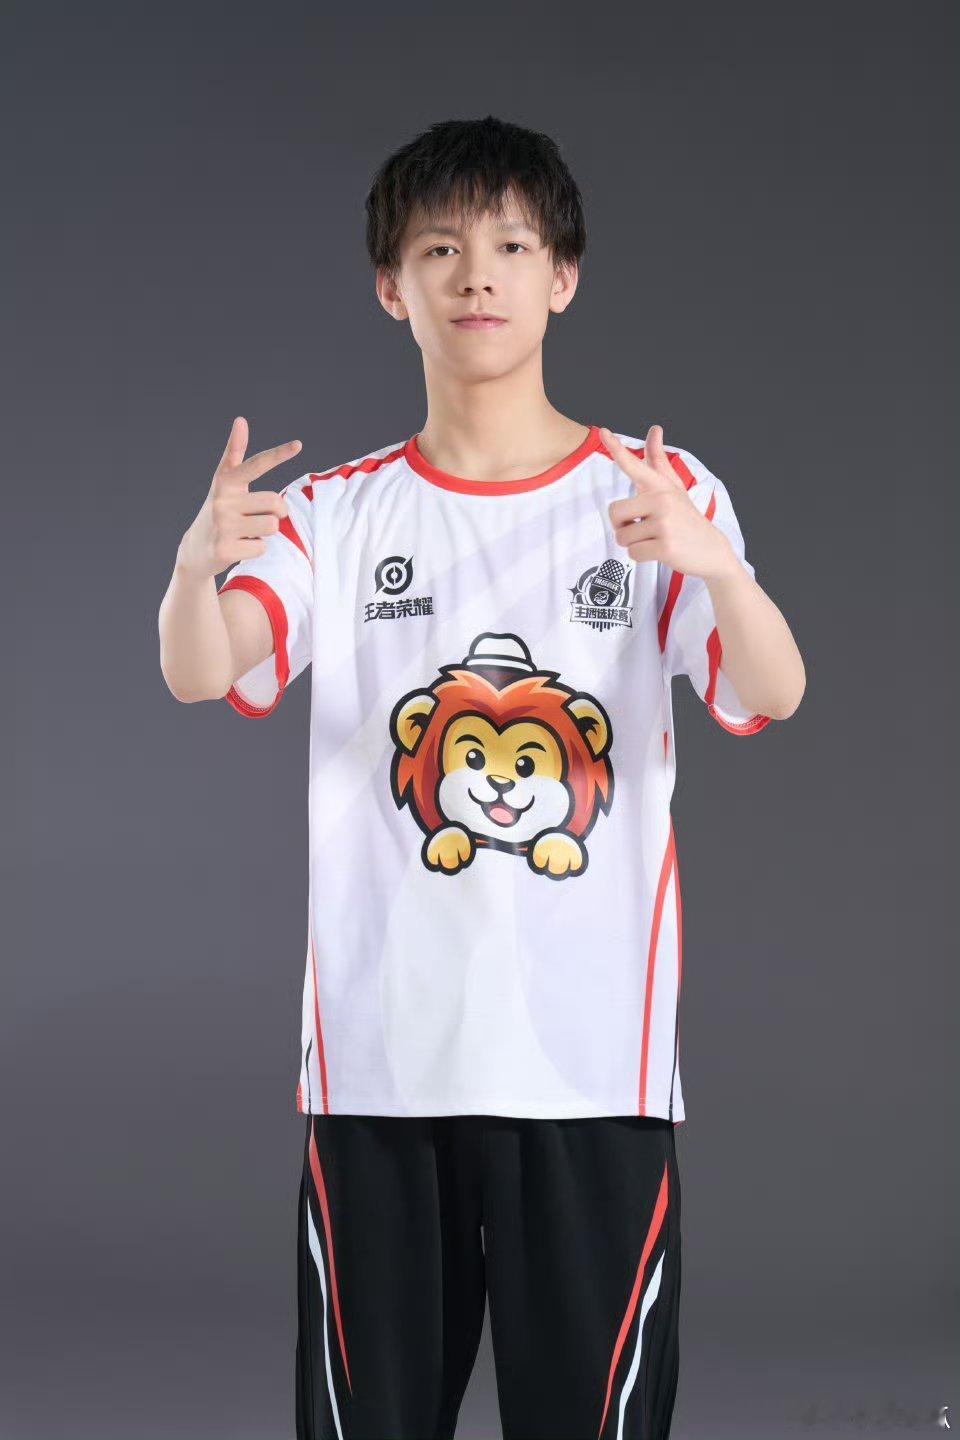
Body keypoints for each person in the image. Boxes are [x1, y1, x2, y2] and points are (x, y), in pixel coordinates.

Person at [158, 115, 805, 1440]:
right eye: (440, 248)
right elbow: (204, 667)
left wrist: (718, 570)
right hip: (381, 1073)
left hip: (593, 1071)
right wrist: (190, 568)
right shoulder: (335, 514)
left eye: (512, 245)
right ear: (390, 286)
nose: (477, 277)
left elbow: (771, 691)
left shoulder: (656, 492)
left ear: (563, 275)